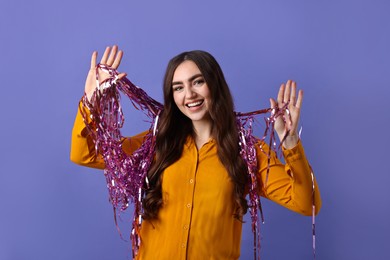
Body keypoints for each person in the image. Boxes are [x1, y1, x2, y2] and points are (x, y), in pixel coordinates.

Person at [71, 45, 321, 259]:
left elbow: (305, 203)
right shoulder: (155, 144)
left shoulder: (248, 152)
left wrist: (289, 143)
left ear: (215, 85)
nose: (188, 94)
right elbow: (86, 154)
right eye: (178, 87)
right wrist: (91, 101)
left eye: (197, 82)